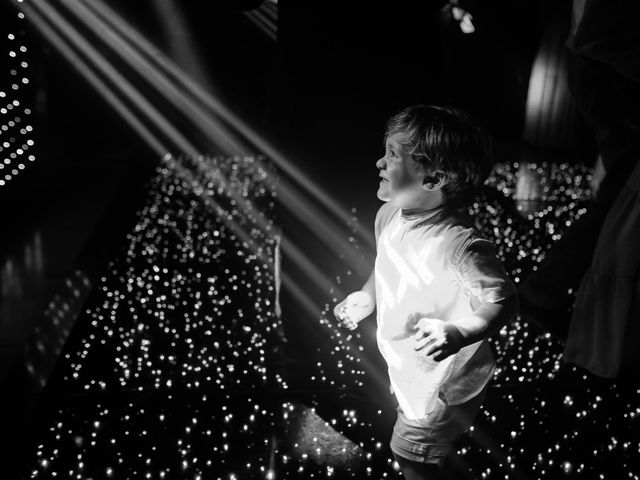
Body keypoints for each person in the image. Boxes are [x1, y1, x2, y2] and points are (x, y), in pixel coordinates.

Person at [333, 105, 518, 480]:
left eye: (393, 155)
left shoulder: (460, 245)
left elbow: (504, 301)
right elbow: (387, 264)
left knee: (411, 457)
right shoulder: (389, 215)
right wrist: (368, 296)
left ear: (434, 178)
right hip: (411, 369)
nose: (379, 163)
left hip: (444, 384)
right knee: (427, 453)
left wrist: (460, 332)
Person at [517, 0, 640, 373]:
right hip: (607, 71)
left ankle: (546, 292)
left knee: (622, 189)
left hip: (605, 68)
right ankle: (544, 292)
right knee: (623, 192)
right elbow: (599, 33)